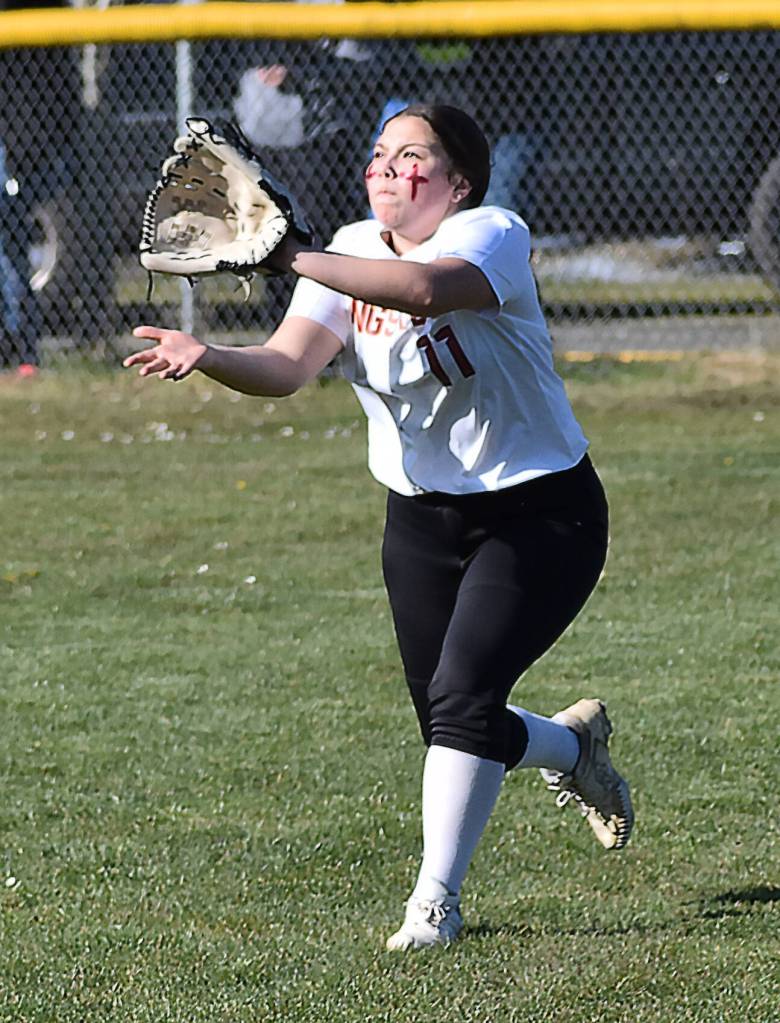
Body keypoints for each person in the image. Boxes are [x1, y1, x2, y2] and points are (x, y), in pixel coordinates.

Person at [124, 104, 634, 951]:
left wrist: (293, 256)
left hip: (541, 512)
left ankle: (434, 905)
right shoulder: (348, 251)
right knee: (450, 718)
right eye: (379, 155)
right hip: (421, 519)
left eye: (413, 159)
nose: (388, 169)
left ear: (457, 182)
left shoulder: (492, 231)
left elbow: (429, 290)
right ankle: (572, 747)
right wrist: (209, 356)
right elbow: (288, 368)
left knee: (463, 700)